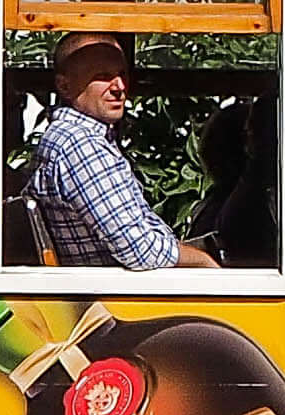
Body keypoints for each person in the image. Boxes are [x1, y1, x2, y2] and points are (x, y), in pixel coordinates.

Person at [22, 33, 212, 272]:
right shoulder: (81, 146)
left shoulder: (75, 138)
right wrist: (205, 262)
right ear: (64, 86)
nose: (119, 87)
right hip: (116, 301)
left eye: (122, 74)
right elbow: (140, 251)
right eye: (102, 77)